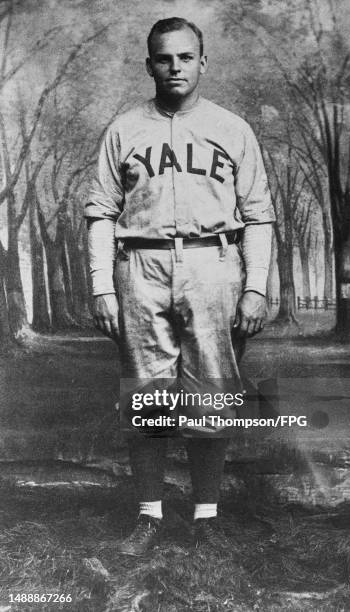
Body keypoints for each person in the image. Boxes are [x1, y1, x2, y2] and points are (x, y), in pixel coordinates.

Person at [85, 17, 275, 556]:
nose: (175, 67)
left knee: (211, 391)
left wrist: (255, 286)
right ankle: (148, 516)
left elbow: (259, 215)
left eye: (186, 57)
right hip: (140, 267)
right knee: (147, 395)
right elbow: (100, 213)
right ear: (149, 65)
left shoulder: (233, 128)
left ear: (203, 62)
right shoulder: (123, 129)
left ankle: (207, 516)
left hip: (213, 262)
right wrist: (102, 286)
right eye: (164, 58)